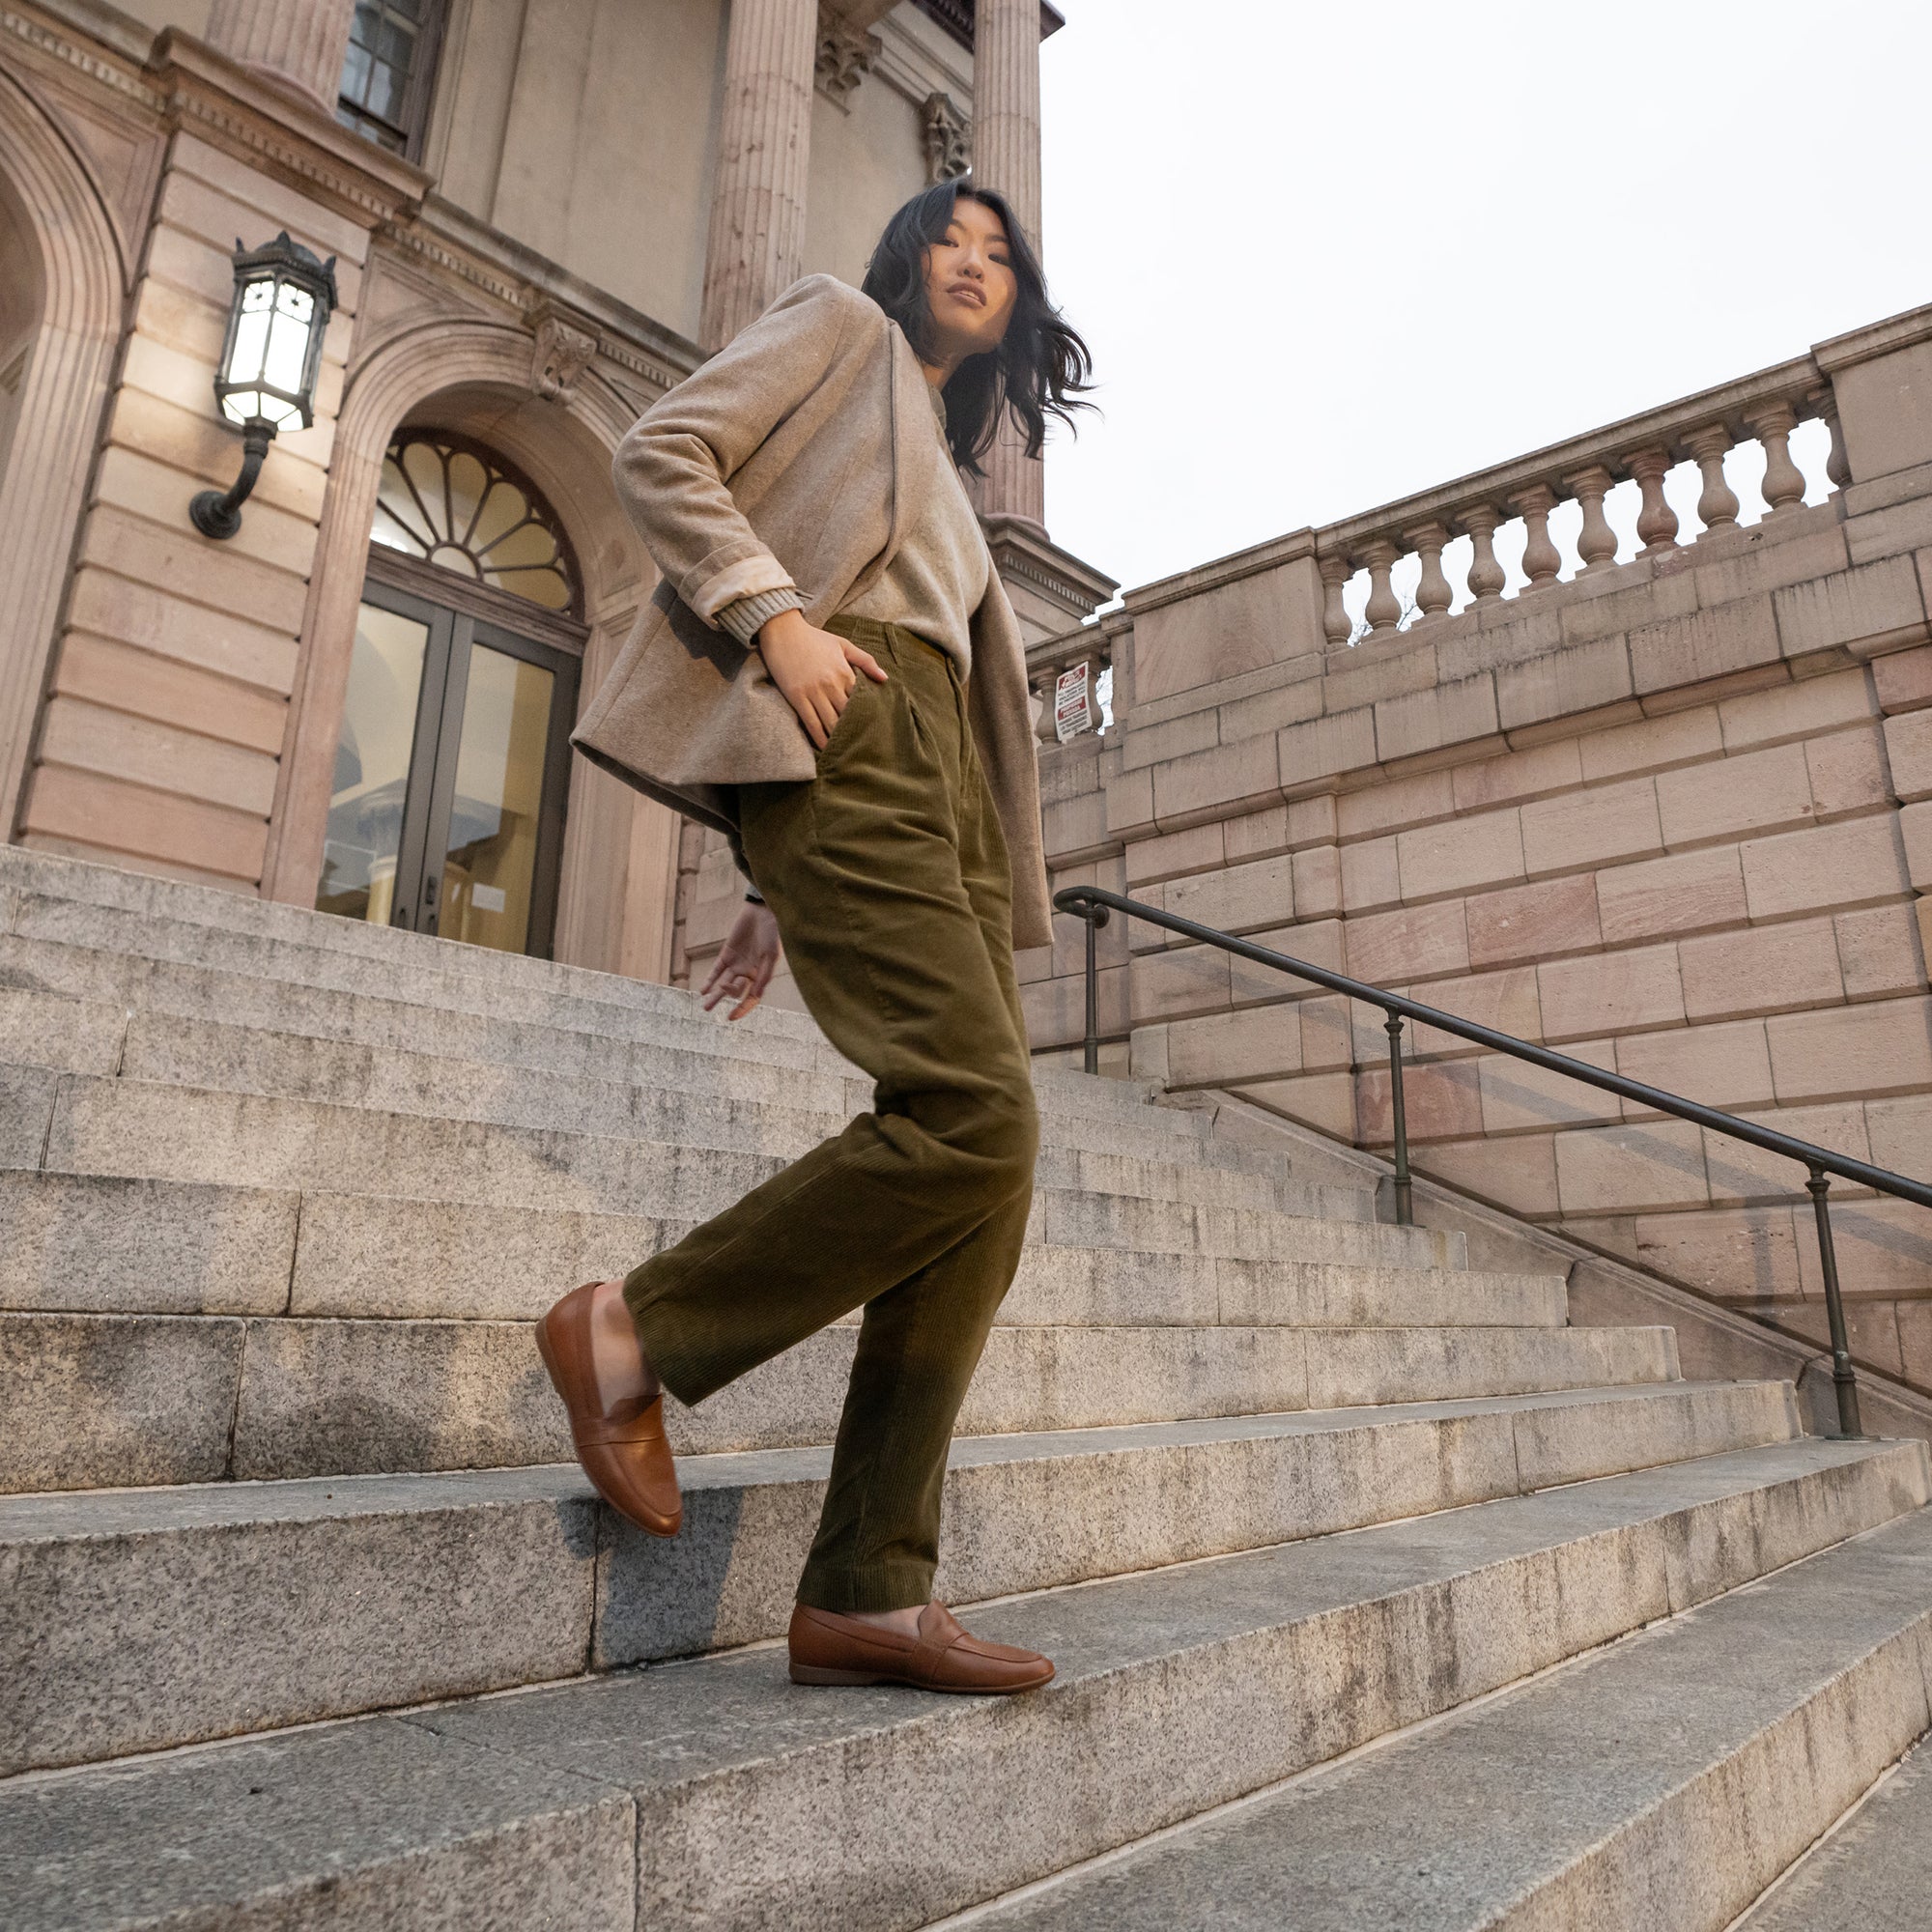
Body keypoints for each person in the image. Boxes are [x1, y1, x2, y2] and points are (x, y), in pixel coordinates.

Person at [536, 178, 1094, 1695]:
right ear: (904, 258)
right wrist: (772, 617)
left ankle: (869, 1588)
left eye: (1000, 254)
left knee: (987, 1170)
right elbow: (663, 452)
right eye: (950, 239)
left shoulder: (951, 472)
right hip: (852, 725)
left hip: (936, 784)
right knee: (974, 1114)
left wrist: (773, 895)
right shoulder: (840, 327)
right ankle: (632, 1335)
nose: (971, 262)